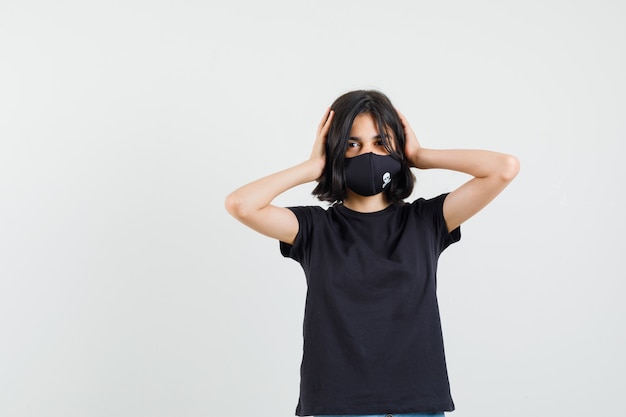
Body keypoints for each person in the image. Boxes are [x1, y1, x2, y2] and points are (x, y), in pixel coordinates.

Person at [225, 90, 520, 417]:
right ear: (335, 150)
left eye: (381, 143)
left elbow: (504, 168)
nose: (368, 154)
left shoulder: (427, 221)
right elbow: (241, 204)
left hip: (418, 402)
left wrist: (422, 156)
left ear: (399, 149)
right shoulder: (313, 228)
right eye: (353, 144)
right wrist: (313, 167)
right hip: (339, 404)